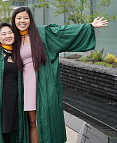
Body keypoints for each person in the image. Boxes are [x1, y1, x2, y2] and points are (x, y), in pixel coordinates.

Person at [11, 7, 108, 143]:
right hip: (23, 85)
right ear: (14, 20)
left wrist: (90, 26)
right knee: (32, 123)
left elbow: (64, 32)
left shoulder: (42, 34)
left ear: (30, 20)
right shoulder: (13, 39)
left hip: (42, 83)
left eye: (25, 18)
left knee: (43, 121)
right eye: (19, 18)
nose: (22, 21)